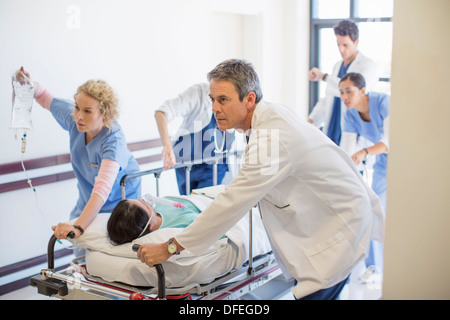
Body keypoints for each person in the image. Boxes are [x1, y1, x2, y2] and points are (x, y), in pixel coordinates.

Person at [135, 59, 385, 300]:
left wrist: (170, 247)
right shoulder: (266, 119)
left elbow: (232, 202)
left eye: (223, 100)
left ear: (250, 99)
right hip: (334, 219)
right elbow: (257, 181)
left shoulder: (271, 135)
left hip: (338, 229)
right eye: (212, 100)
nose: (214, 108)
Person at [16, 67, 141, 241]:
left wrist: (78, 227)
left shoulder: (114, 141)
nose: (79, 116)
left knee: (105, 248)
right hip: (88, 200)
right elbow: (43, 96)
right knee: (79, 248)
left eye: (87, 111)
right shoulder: (75, 118)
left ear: (105, 114)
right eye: (77, 108)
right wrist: (28, 84)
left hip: (120, 207)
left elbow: (102, 189)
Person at [339, 72, 390, 278]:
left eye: (348, 91)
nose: (344, 96)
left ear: (362, 90)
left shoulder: (383, 102)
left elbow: (389, 141)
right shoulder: (349, 114)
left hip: (408, 157)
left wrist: (364, 152)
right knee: (374, 208)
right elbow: (347, 150)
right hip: (384, 164)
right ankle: (375, 268)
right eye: (341, 92)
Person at [155, 83, 235, 195]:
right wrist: (167, 146)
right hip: (187, 164)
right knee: (190, 207)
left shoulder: (239, 99)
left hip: (215, 164)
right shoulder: (199, 93)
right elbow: (161, 113)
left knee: (204, 205)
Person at [308, 20, 378, 146]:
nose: (341, 49)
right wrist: (311, 120)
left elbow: (355, 89)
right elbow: (328, 99)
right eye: (338, 44)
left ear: (356, 42)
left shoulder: (367, 65)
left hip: (352, 132)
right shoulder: (337, 66)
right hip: (332, 129)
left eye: (345, 45)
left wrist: (324, 77)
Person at [107, 194, 202, 245]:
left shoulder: (159, 205)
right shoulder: (181, 224)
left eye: (140, 200)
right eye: (145, 205)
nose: (146, 201)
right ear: (150, 225)